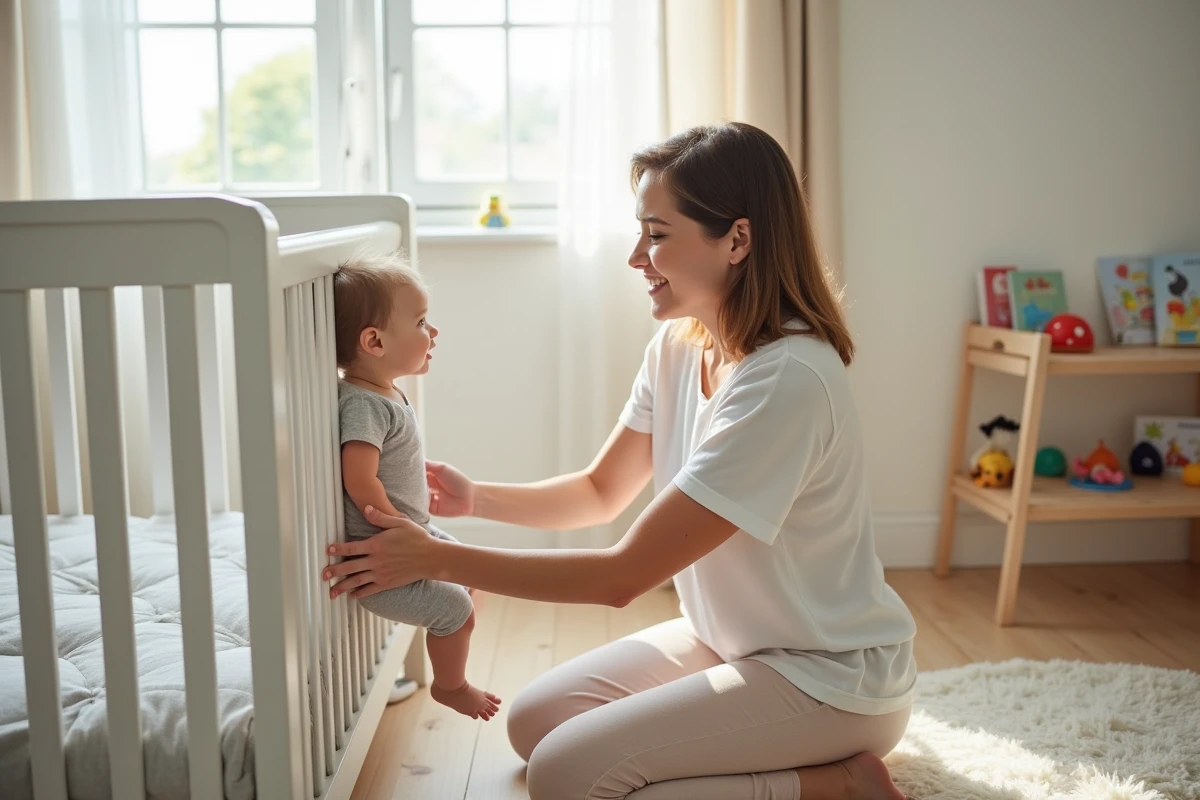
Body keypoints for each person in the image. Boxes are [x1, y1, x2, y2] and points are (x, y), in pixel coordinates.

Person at [324, 122, 918, 800]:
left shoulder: (786, 380)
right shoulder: (678, 349)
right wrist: (475, 499)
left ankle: (838, 783)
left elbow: (623, 576)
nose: (637, 256)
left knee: (567, 775)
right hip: (733, 643)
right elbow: (601, 491)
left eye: (658, 235)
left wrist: (436, 560)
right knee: (534, 725)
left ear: (738, 240)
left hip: (829, 677)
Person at [332, 254, 500, 721]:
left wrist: (409, 467)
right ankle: (451, 686)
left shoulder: (384, 392)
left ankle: (454, 643)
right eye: (423, 322)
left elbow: (380, 458)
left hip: (409, 534)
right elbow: (360, 478)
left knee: (474, 576)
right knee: (452, 607)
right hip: (380, 558)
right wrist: (398, 528)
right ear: (374, 341)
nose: (434, 332)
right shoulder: (363, 403)